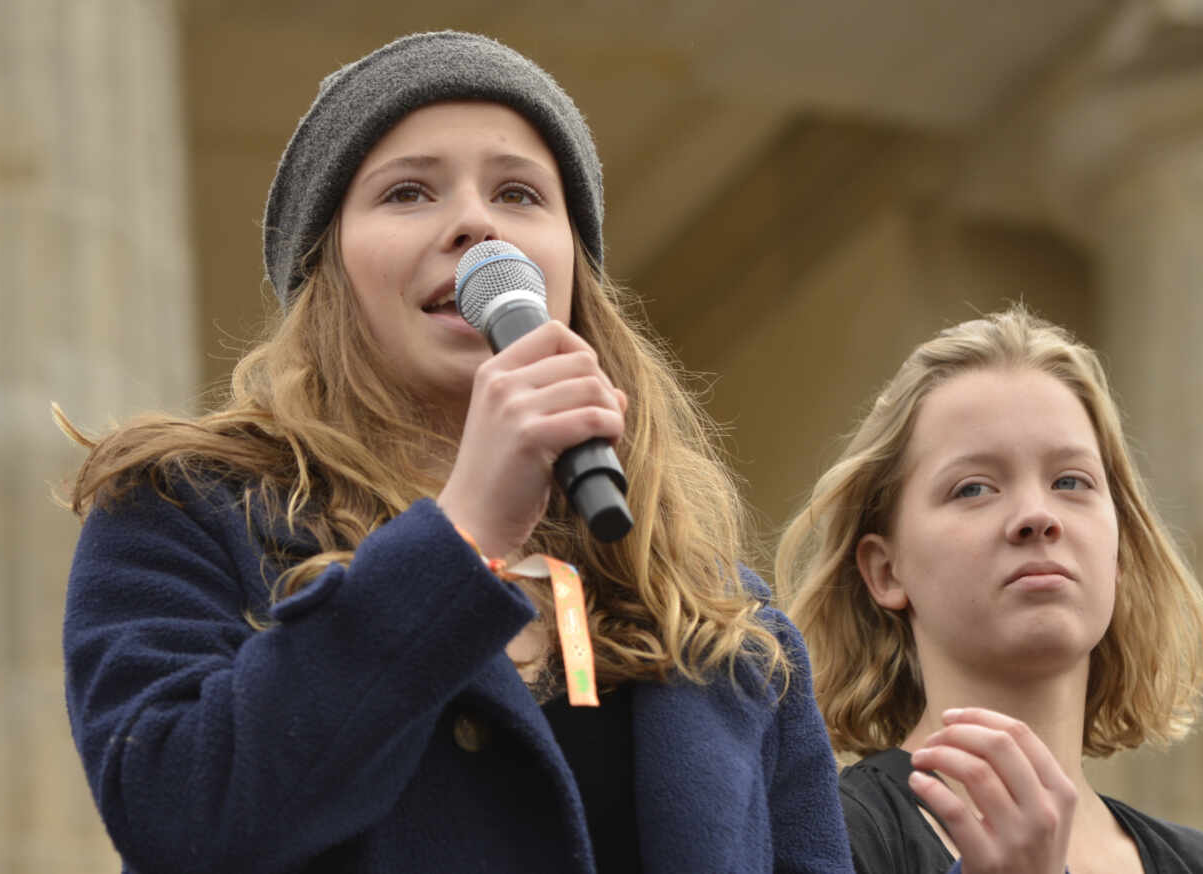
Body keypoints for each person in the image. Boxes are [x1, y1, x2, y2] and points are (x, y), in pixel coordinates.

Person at [59, 31, 852, 874]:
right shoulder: (184, 514)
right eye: (407, 192)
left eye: (518, 194)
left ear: (573, 273)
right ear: (324, 271)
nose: (475, 222)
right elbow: (179, 814)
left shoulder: (730, 625)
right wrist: (461, 535)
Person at [777, 307, 1203, 874]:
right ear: (886, 571)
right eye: (974, 488)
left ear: (1119, 554)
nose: (1037, 516)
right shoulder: (828, 840)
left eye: (1070, 482)